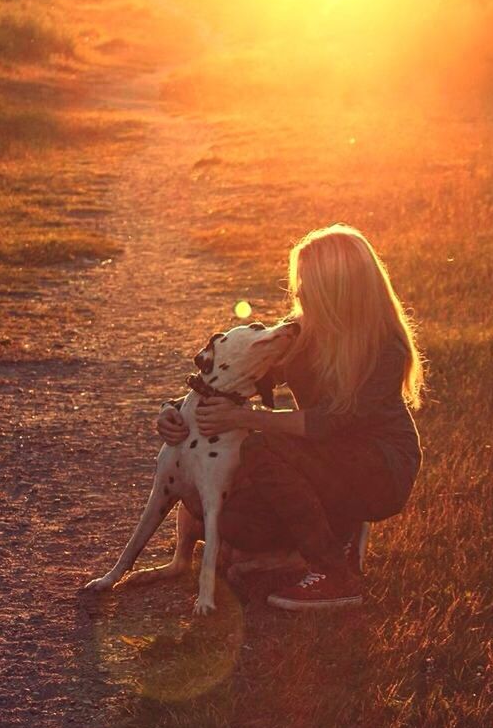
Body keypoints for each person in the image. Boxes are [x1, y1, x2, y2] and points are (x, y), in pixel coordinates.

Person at [157, 223, 424, 611]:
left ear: (339, 290)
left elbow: (330, 422)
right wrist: (175, 410)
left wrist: (247, 419)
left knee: (261, 449)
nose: (299, 295)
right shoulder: (304, 331)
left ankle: (335, 574)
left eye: (308, 286)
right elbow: (236, 377)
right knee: (225, 514)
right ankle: (300, 549)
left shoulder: (386, 348)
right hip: (322, 454)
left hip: (381, 468)